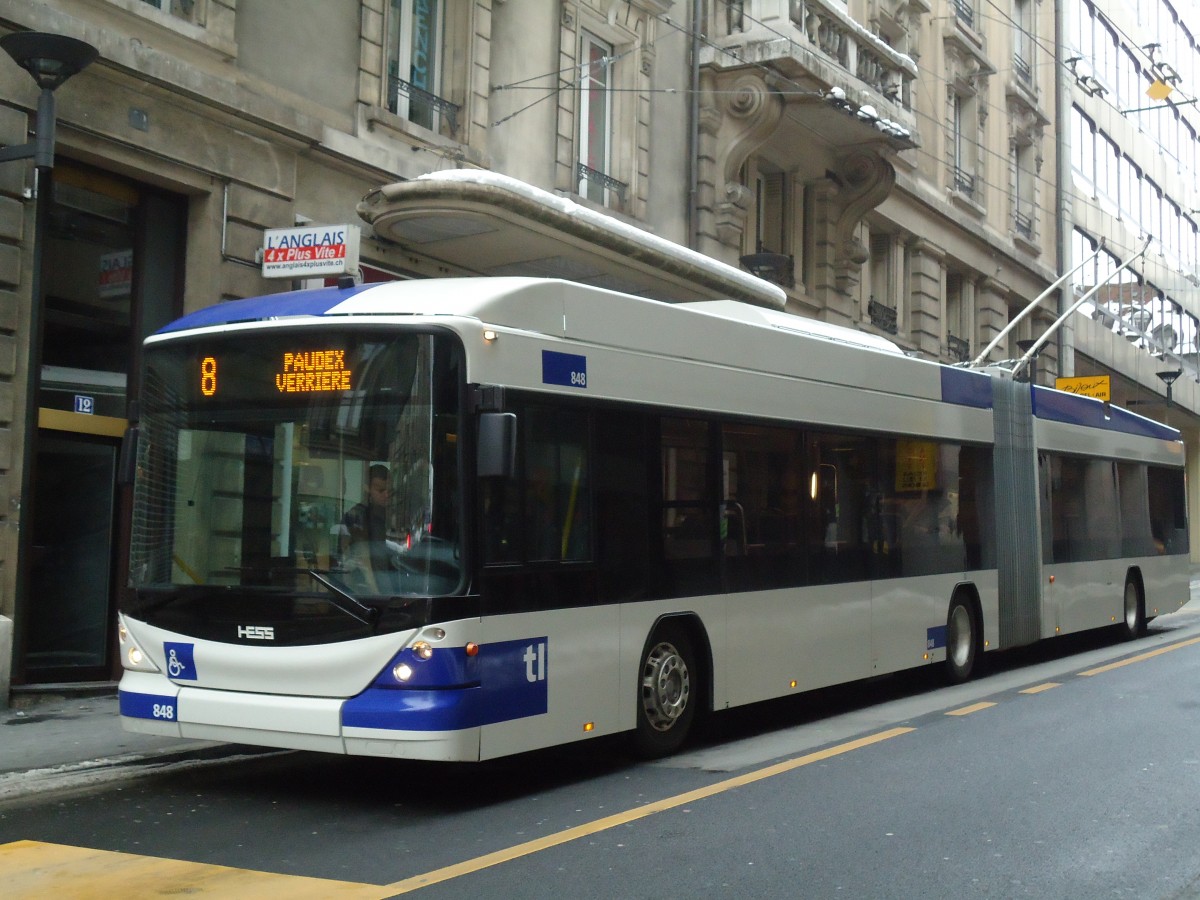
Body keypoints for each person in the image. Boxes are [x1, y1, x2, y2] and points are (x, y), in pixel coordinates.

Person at [340, 464, 392, 586]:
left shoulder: (389, 514)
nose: (386, 495)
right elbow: (360, 558)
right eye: (380, 490)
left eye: (389, 491)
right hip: (364, 588)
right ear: (367, 488)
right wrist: (376, 592)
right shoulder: (356, 517)